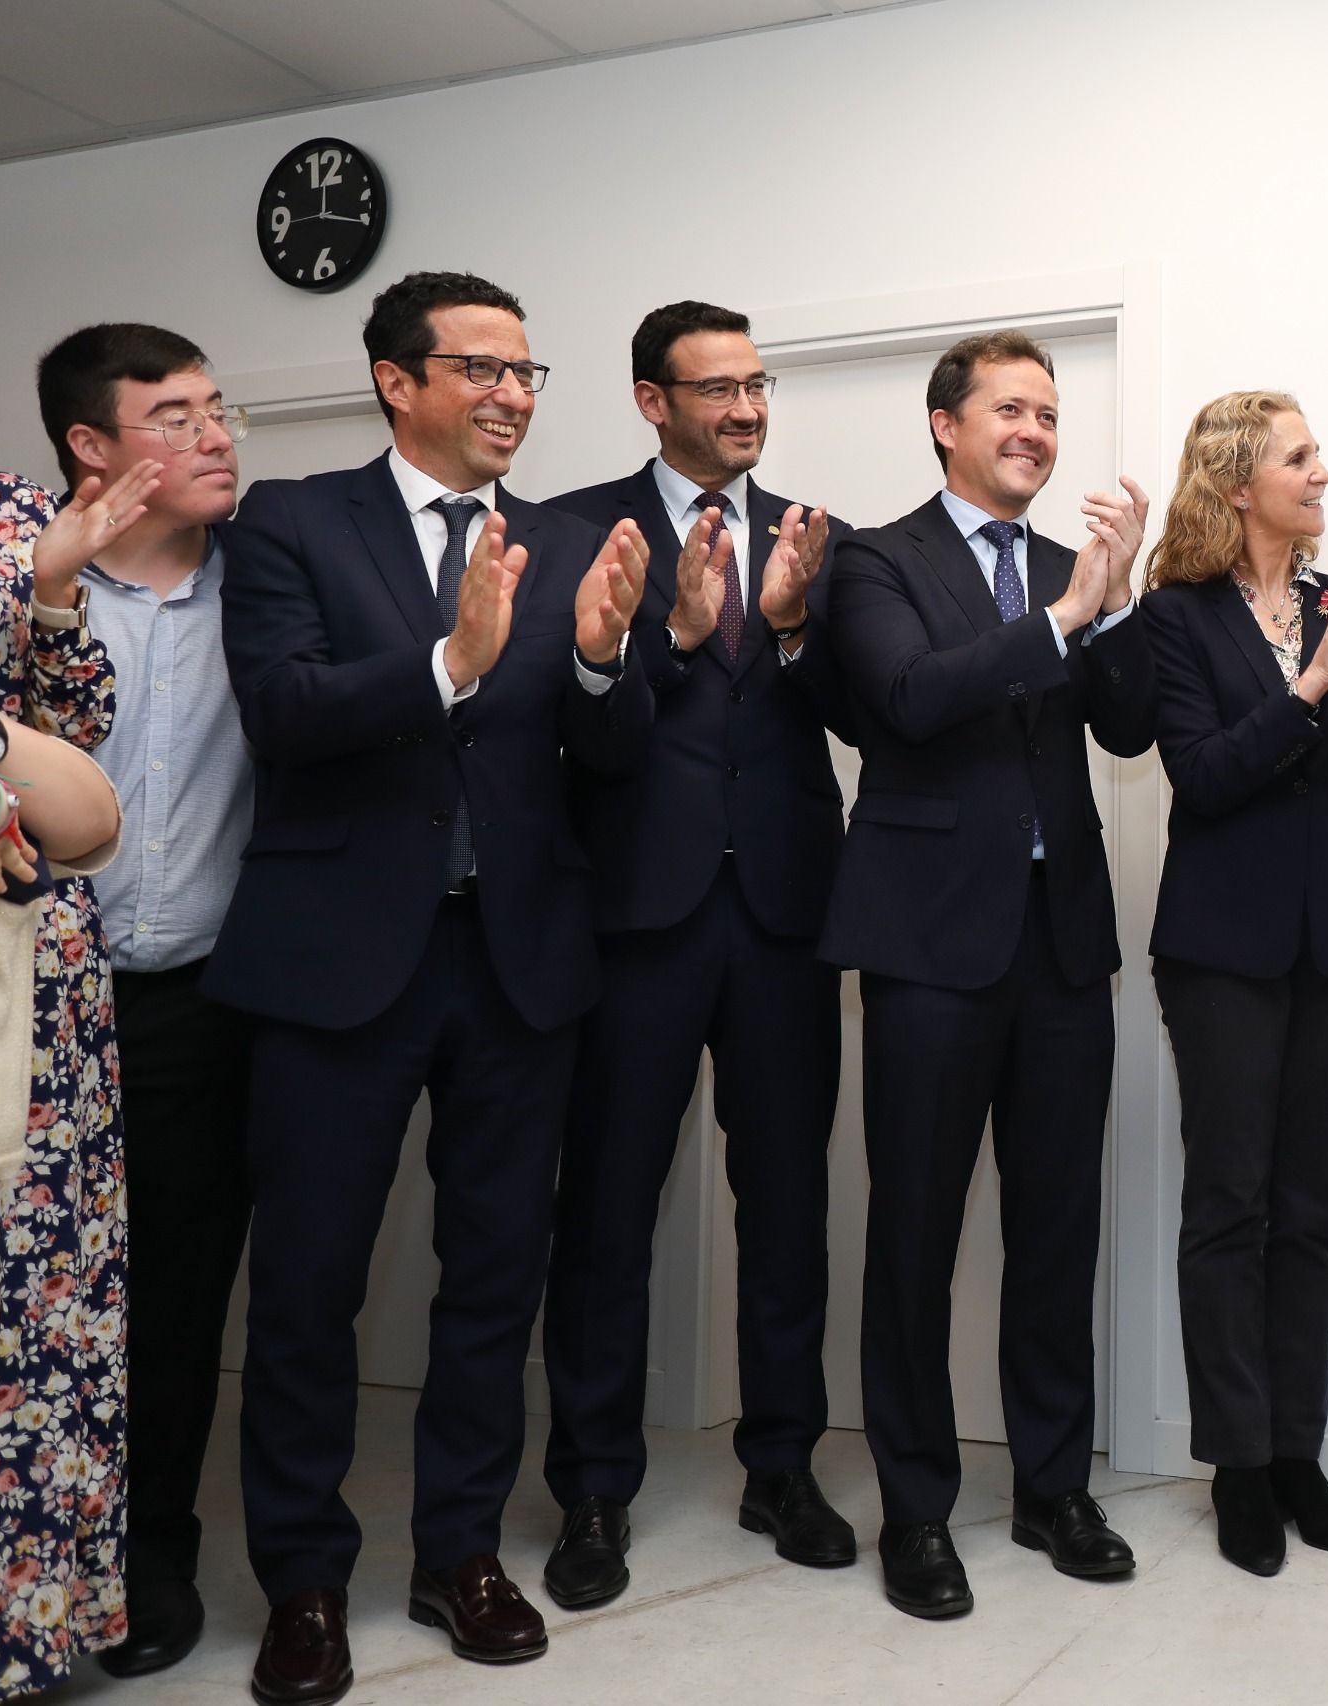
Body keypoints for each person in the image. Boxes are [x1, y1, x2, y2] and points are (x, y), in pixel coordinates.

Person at [210, 271, 652, 1706]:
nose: (516, 393)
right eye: (484, 368)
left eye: (528, 370)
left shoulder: (575, 536)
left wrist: (597, 663)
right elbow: (281, 710)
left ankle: (458, 1550)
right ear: (398, 380)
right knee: (308, 1291)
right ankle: (306, 1583)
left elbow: (617, 756)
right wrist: (450, 660)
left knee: (494, 1279)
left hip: (517, 963)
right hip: (338, 965)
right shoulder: (291, 520)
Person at [819, 329, 1155, 1619]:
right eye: (1012, 407)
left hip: (1061, 939)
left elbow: (1124, 727)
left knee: (1058, 1226)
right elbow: (907, 696)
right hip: (924, 947)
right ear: (944, 424)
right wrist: (1063, 618)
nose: (1036, 429)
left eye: (1051, 412)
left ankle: (1054, 1488)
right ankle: (915, 1507)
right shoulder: (874, 558)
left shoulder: (1078, 572)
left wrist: (1111, 604)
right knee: (913, 1230)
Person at [538, 300, 855, 1608]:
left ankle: (781, 1462)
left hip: (783, 914)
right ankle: (594, 1486)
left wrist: (786, 625)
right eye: (715, 388)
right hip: (633, 917)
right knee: (607, 1208)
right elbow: (562, 725)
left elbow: (857, 707)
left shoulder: (815, 540)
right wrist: (664, 637)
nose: (743, 409)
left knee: (788, 1207)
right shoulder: (568, 532)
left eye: (757, 385)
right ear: (648, 398)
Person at [1136, 392, 1328, 1577]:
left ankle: (1297, 1453)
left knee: (1313, 1208)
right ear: (1236, 480)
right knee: (1230, 1206)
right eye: (1299, 456)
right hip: (1222, 945)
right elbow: (1202, 778)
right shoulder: (1173, 617)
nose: (1322, 471)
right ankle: (1238, 1465)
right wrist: (1309, 684)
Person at [30, 323, 256, 1681]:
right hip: (43, 1011)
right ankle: (32, 1561)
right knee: (36, 1297)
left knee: (177, 1293)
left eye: (220, 407)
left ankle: (148, 1552)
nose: (217, 433)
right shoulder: (20, 591)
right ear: (92, 448)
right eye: (174, 414)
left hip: (208, 1003)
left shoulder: (272, 589)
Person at [0, 462, 151, 1704]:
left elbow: (85, 749)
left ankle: (18, 1634)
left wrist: (49, 598)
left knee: (32, 1313)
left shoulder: (8, 507)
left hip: (24, 968)